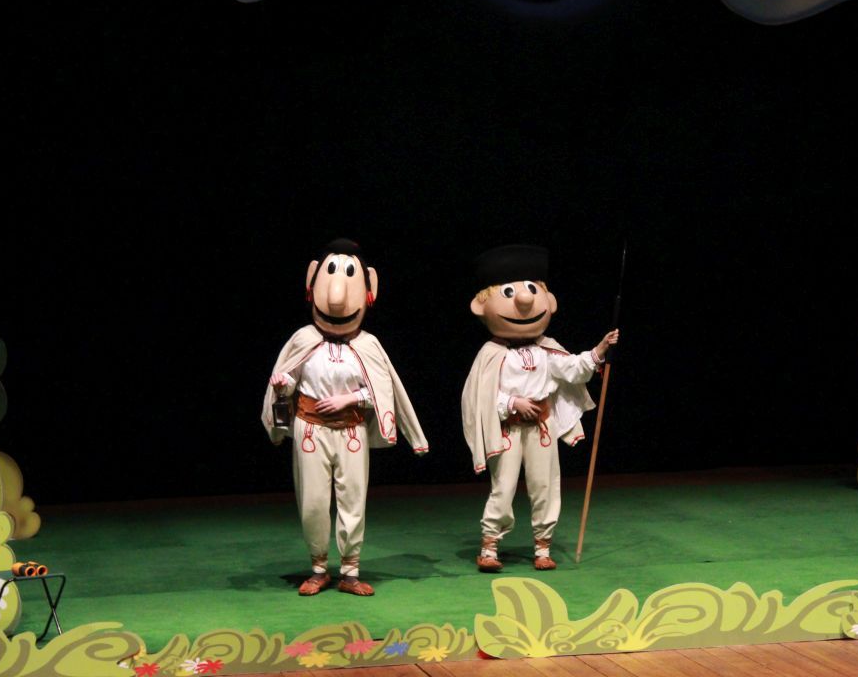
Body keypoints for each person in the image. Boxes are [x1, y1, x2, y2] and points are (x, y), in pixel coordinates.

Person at [264, 239, 428, 596]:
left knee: (352, 500)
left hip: (351, 430)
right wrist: (282, 384)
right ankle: (318, 568)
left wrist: (350, 398)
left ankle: (350, 571)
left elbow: (384, 391)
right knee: (313, 502)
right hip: (311, 430)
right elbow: (290, 381)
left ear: (369, 292)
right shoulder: (303, 339)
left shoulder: (368, 344)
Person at [461, 244, 618, 572]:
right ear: (482, 305)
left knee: (545, 485)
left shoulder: (547, 349)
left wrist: (600, 350)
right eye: (509, 292)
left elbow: (573, 369)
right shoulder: (491, 353)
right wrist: (512, 402)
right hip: (508, 428)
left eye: (533, 290)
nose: (524, 299)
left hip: (541, 427)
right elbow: (479, 396)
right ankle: (490, 546)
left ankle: (542, 547)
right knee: (503, 486)